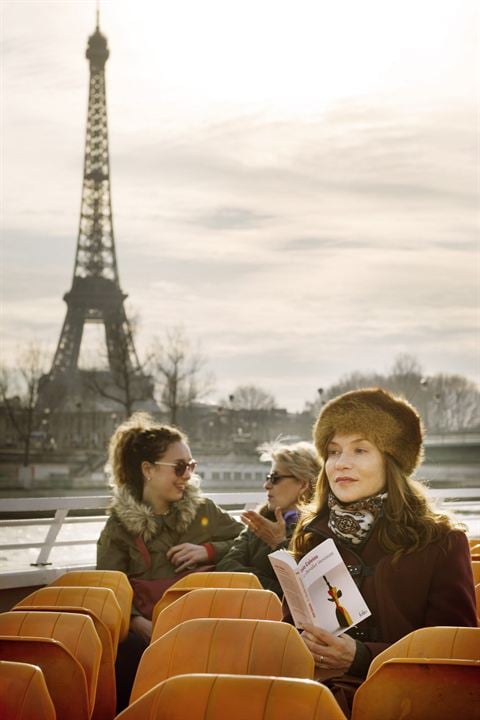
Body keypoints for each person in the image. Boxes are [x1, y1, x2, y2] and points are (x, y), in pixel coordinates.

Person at [288, 388, 477, 709]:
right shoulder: (311, 536)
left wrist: (363, 657)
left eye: (360, 450)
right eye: (333, 452)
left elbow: (454, 654)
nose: (341, 464)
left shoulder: (442, 541)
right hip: (316, 699)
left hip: (407, 705)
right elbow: (290, 632)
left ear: (391, 461)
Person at [96, 412, 243, 709]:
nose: (187, 475)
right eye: (179, 467)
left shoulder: (205, 511)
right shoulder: (118, 527)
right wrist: (140, 624)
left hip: (204, 625)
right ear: (148, 470)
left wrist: (209, 551)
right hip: (145, 633)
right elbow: (110, 590)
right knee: (129, 655)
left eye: (191, 466)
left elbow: (248, 542)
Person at [217, 440, 321, 596]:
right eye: (268, 477)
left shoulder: (318, 528)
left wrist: (279, 544)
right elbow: (226, 566)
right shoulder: (261, 521)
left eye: (275, 478)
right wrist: (271, 586)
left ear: (303, 484)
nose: (266, 485)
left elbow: (309, 589)